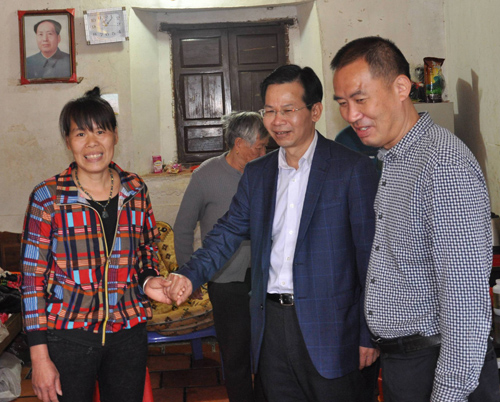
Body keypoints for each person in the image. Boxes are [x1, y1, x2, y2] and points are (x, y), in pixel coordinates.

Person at [165, 64, 380, 402]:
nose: (277, 121)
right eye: (269, 111)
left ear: (315, 111)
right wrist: (189, 275)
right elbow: (226, 233)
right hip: (271, 326)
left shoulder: (351, 169)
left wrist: (369, 333)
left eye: (288, 110)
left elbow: (371, 259)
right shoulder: (258, 173)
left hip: (333, 328)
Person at [331, 36, 500, 402]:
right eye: (342, 103)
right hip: (408, 364)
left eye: (360, 99)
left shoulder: (442, 165)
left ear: (401, 87)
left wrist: (449, 392)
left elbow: (465, 298)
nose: (350, 115)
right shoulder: (396, 159)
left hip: (439, 366)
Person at [20, 87, 170, 402]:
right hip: (68, 338)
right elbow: (32, 281)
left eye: (100, 131)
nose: (92, 143)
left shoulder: (135, 190)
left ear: (115, 136)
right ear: (68, 141)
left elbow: (146, 248)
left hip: (128, 334)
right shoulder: (49, 198)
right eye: (80, 134)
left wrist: (148, 279)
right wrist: (39, 355)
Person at [174, 111, 269, 402]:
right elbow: (183, 228)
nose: (264, 153)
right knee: (235, 353)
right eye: (259, 147)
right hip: (226, 280)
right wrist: (189, 276)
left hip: (264, 277)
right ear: (239, 144)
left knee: (268, 351)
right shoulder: (206, 175)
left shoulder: (266, 171)